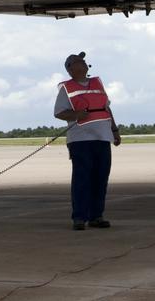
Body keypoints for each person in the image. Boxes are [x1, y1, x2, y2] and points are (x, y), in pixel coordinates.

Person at [54, 51, 120, 230]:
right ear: (70, 68)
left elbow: (107, 109)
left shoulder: (97, 84)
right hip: (81, 140)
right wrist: (76, 114)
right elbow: (59, 112)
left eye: (83, 61)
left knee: (100, 178)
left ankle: (96, 216)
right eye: (77, 61)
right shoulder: (67, 89)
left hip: (103, 137)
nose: (82, 63)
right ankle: (79, 218)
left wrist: (115, 130)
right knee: (82, 179)